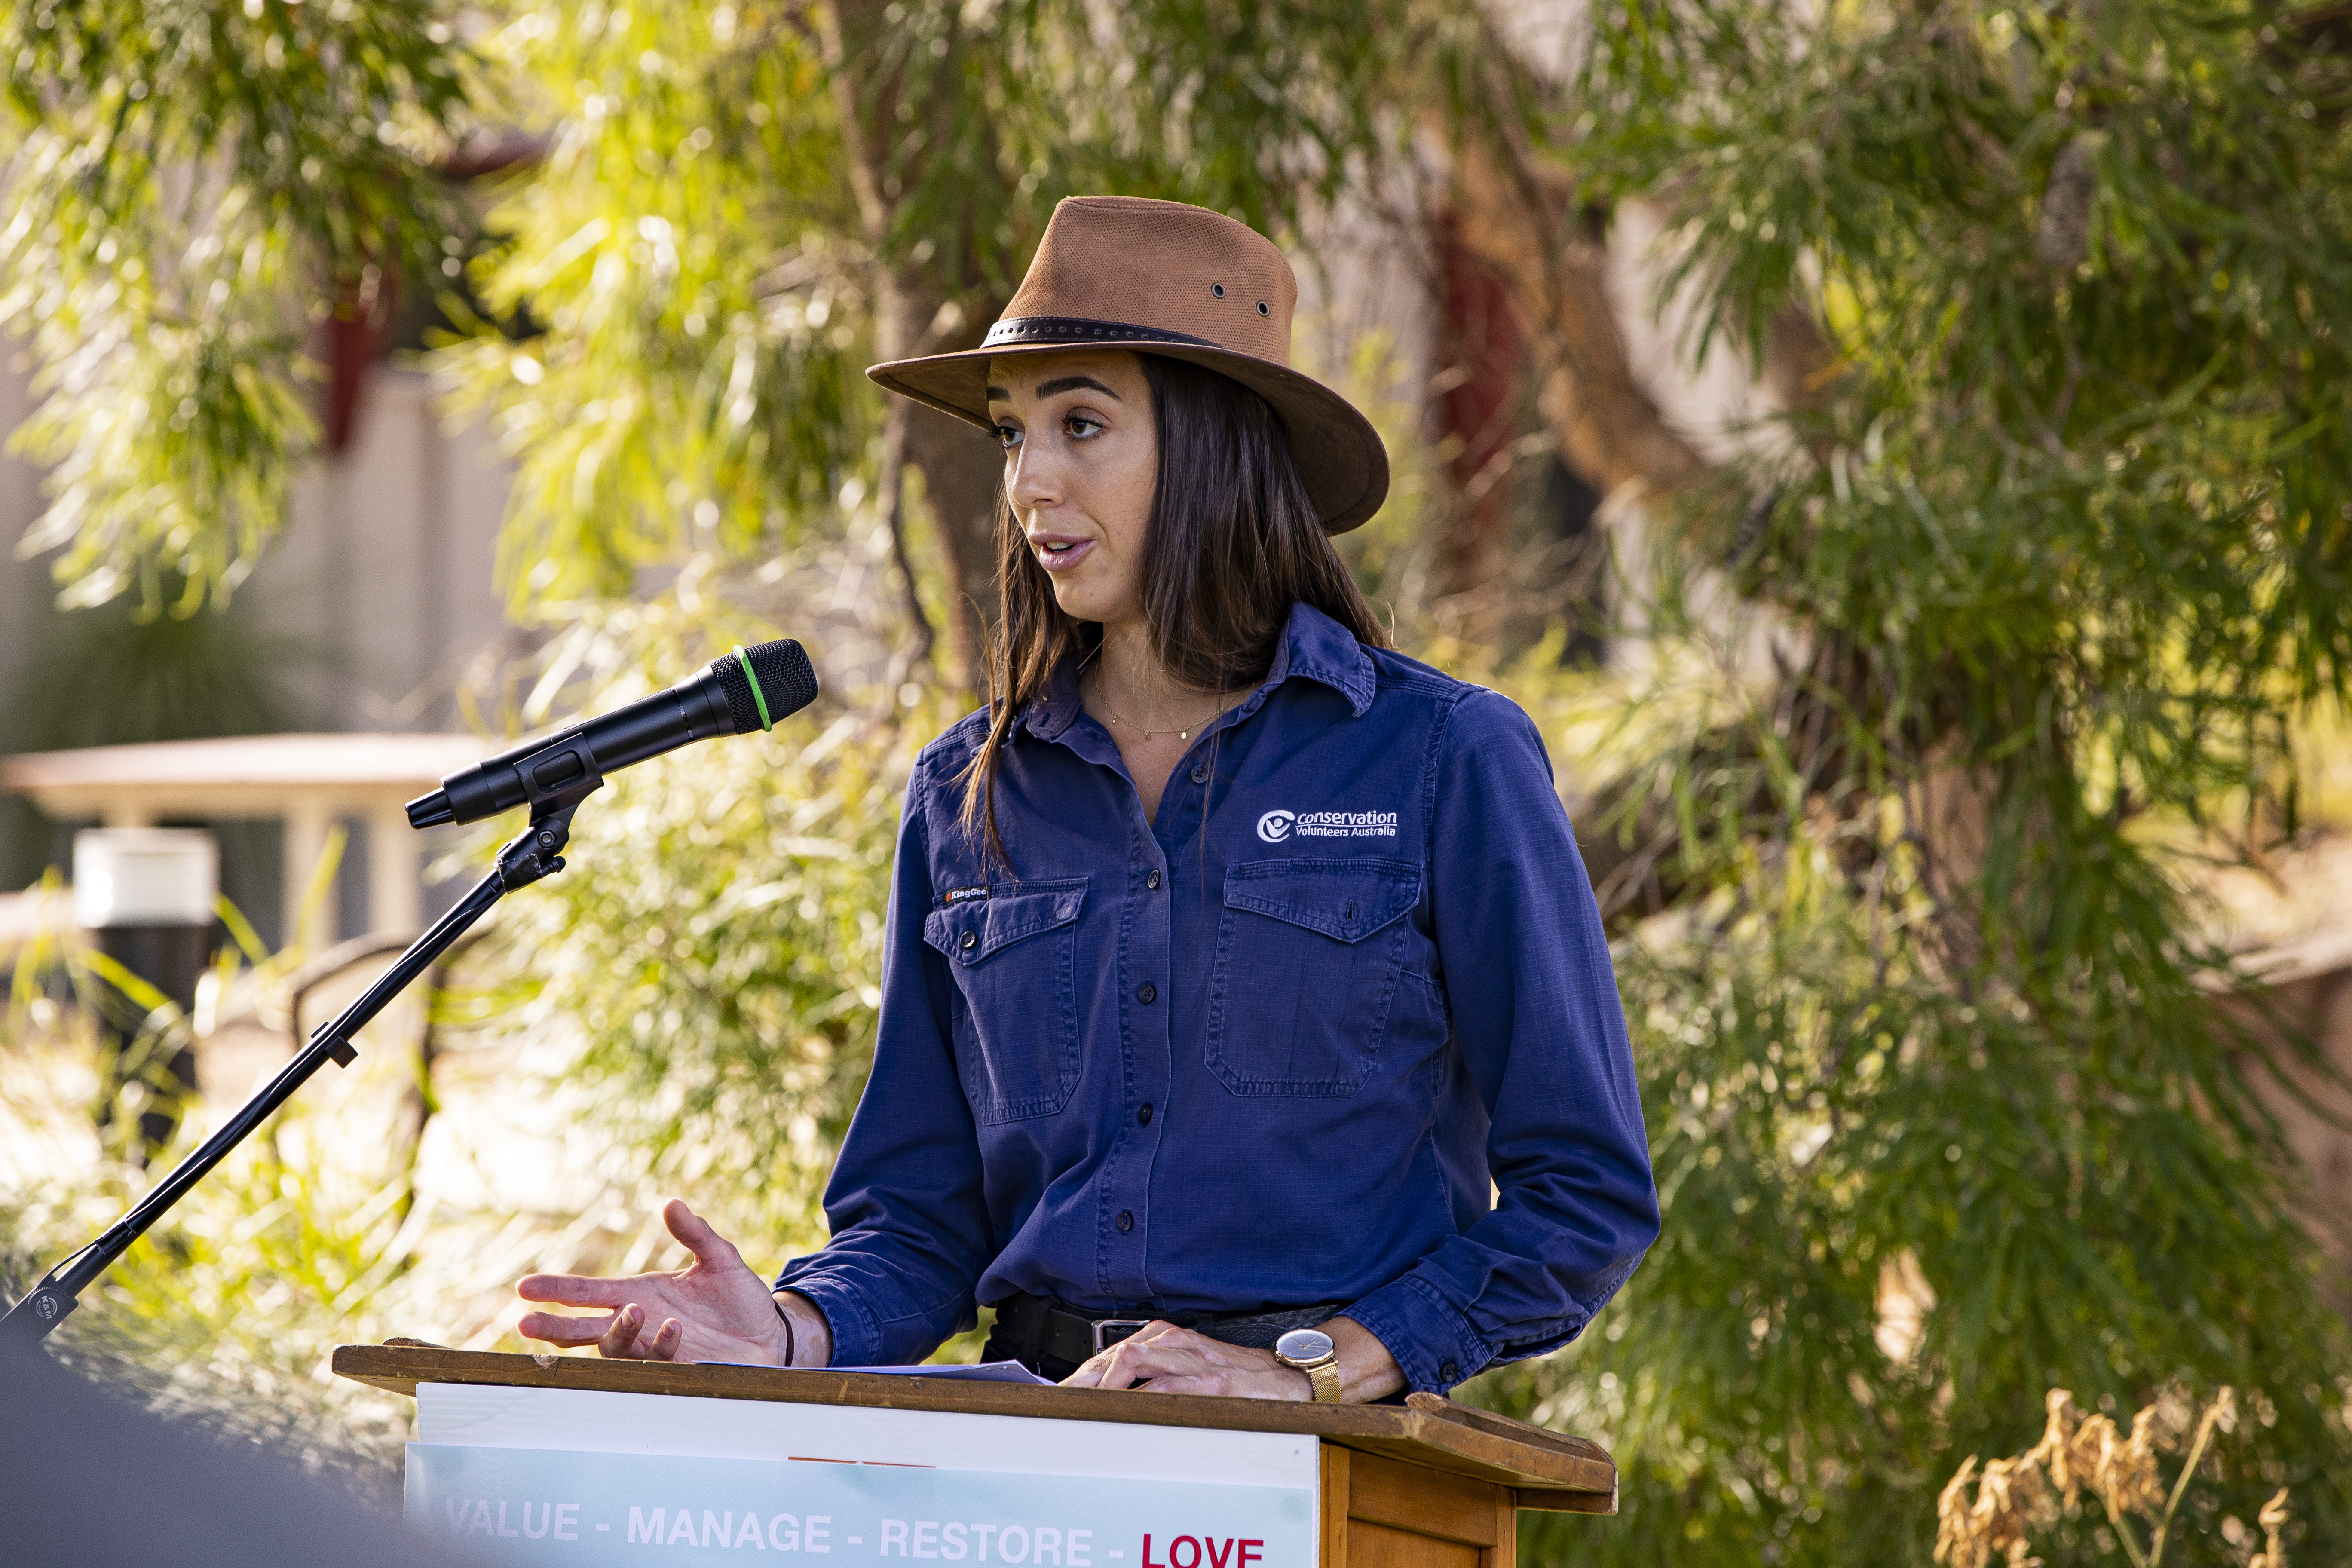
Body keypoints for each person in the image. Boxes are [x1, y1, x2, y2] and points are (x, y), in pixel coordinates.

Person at [516, 196, 1658, 1403]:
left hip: (1330, 1468)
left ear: (1220, 442)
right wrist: (791, 1330)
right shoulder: (968, 797)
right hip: (1035, 1458)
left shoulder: (1442, 759)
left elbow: (1583, 1195)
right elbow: (921, 1224)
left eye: (1081, 425)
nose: (1030, 484)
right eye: (1014, 435)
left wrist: (1310, 1374)